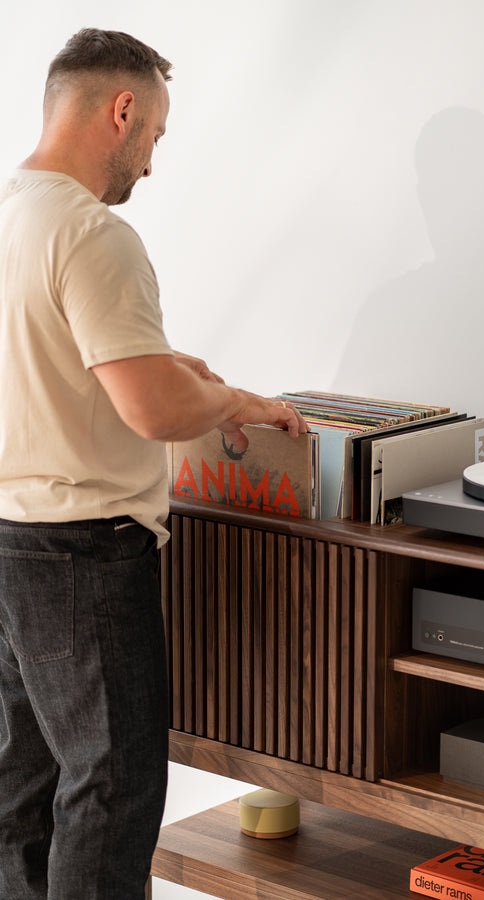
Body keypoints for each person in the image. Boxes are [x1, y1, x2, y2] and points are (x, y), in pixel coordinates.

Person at [0, 27, 307, 900]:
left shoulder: (11, 214)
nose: (152, 161)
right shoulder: (92, 232)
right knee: (112, 787)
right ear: (121, 109)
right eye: (156, 135)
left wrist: (173, 370)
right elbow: (154, 412)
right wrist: (238, 402)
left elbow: (55, 368)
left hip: (10, 543)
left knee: (24, 786)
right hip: (81, 553)